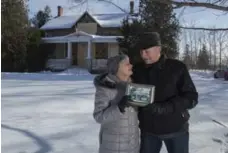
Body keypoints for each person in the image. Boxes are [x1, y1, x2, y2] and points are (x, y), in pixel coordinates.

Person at [132, 32, 198, 153]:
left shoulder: (177, 67)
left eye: (147, 51)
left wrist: (166, 108)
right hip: (148, 130)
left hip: (176, 129)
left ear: (158, 49)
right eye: (141, 52)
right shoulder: (137, 70)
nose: (143, 55)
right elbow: (120, 78)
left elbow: (191, 98)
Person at [93, 55, 140, 153]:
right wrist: (119, 107)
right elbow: (99, 116)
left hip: (133, 147)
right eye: (127, 64)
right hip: (113, 148)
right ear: (116, 68)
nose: (131, 65)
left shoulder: (134, 86)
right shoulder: (105, 88)